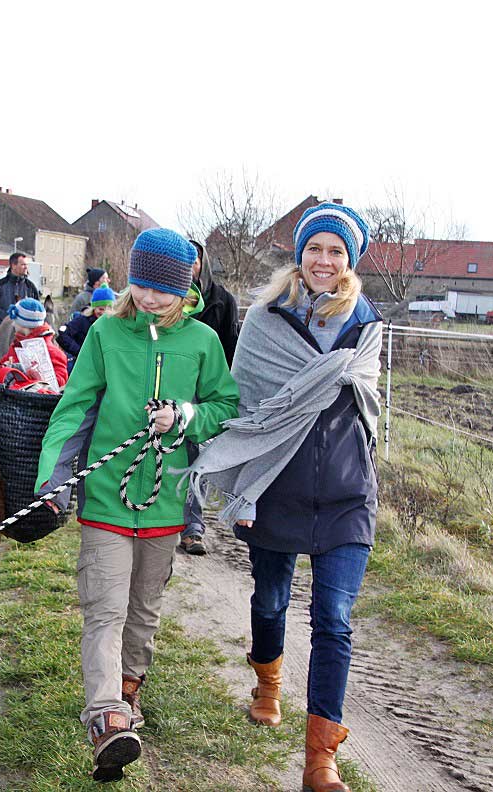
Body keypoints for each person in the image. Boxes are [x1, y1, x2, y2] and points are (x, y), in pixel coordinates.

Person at [187, 203, 381, 792]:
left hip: (348, 495)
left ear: (350, 261)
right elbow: (246, 411)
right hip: (275, 490)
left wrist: (375, 469)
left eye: (336, 252)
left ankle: (321, 759)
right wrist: (240, 489)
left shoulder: (367, 324)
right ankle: (268, 684)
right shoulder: (265, 320)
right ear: (300, 254)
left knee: (335, 620)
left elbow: (371, 408)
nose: (325, 261)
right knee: (271, 604)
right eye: (315, 249)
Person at [36, 228, 239, 782]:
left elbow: (225, 404)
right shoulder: (104, 333)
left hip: (167, 500)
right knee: (105, 608)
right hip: (106, 497)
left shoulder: (202, 342)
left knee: (143, 611)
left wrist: (187, 415)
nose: (149, 298)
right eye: (141, 285)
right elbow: (73, 410)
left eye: (162, 290)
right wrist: (54, 483)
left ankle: (129, 689)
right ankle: (106, 718)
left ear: (186, 289)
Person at [179, 240, 242, 554]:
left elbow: (233, 347)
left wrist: (227, 392)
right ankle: (190, 527)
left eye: (194, 260)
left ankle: (191, 525)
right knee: (186, 454)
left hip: (209, 392)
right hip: (177, 386)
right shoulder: (165, 299)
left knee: (198, 458)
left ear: (203, 263)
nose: (190, 265)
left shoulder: (222, 301)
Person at [0, 297, 68, 391]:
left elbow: (59, 381)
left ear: (25, 325)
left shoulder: (52, 352)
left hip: (35, 401)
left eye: (16, 322)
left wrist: (36, 379)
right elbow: (1, 366)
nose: (13, 325)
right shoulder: (17, 344)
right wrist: (4, 367)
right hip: (12, 398)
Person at [58, 284, 115, 372]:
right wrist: (80, 352)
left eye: (108, 309)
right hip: (84, 368)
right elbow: (62, 335)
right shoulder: (82, 321)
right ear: (93, 308)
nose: (104, 313)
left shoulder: (115, 323)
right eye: (101, 309)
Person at [0, 252, 40, 330]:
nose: (26, 267)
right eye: (23, 265)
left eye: (26, 265)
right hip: (2, 332)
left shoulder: (30, 287)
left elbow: (37, 310)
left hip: (24, 334)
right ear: (13, 265)